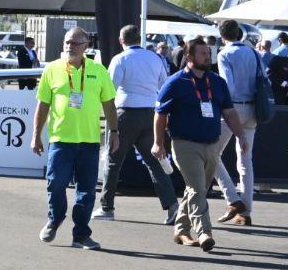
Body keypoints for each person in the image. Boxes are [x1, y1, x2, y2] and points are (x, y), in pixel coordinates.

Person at [155, 38, 248, 253]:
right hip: (185, 144)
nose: (208, 57)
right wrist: (158, 143)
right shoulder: (176, 82)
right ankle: (205, 232)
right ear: (189, 57)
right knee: (197, 188)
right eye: (203, 53)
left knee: (196, 190)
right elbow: (160, 114)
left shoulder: (217, 82)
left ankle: (180, 230)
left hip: (212, 144)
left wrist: (241, 135)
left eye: (209, 53)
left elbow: (229, 112)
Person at [30, 27, 118, 250]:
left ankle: (81, 234)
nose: (69, 46)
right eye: (67, 42)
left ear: (86, 46)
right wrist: (36, 135)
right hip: (61, 139)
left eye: (75, 43)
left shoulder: (98, 71)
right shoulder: (52, 69)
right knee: (56, 183)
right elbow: (42, 105)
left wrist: (114, 132)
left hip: (89, 141)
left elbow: (109, 104)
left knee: (86, 190)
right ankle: (55, 217)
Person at [101, 23, 178, 223]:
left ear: (121, 41)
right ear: (139, 39)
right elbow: (164, 86)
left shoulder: (120, 59)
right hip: (150, 113)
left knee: (113, 161)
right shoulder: (155, 58)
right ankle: (172, 205)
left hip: (125, 113)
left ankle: (107, 207)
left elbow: (110, 90)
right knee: (154, 163)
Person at [212, 19, 264, 226]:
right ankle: (246, 210)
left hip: (233, 108)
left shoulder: (225, 54)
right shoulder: (253, 53)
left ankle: (232, 198)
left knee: (211, 154)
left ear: (222, 36)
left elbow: (228, 86)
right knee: (245, 160)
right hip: (253, 108)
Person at [265, 33, 288, 106]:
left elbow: (271, 71)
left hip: (279, 86)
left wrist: (284, 83)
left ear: (280, 40)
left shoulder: (277, 51)